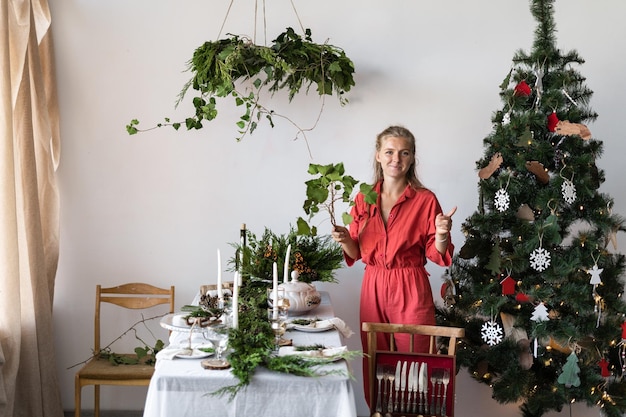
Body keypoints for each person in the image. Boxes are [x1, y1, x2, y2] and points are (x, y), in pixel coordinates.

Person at [331, 125, 456, 405]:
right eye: (389, 152)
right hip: (373, 285)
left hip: (410, 286)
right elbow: (357, 250)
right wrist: (343, 239)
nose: (395, 159)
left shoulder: (425, 200)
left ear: (412, 158)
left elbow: (436, 255)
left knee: (415, 361)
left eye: (404, 153)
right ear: (378, 155)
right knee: (376, 363)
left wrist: (442, 234)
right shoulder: (364, 198)